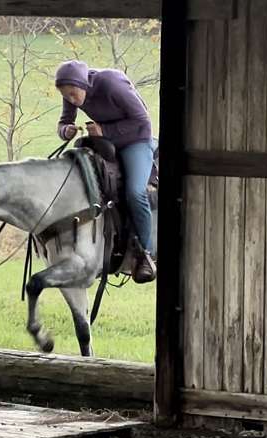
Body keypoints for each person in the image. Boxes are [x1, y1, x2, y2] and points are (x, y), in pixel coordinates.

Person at [54, 59, 156, 284]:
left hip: (136, 140)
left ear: (84, 84)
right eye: (66, 95)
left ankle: (146, 254)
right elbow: (63, 122)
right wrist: (66, 131)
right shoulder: (70, 89)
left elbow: (142, 119)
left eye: (73, 94)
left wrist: (106, 130)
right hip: (104, 142)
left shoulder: (111, 84)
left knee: (135, 192)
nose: (71, 100)